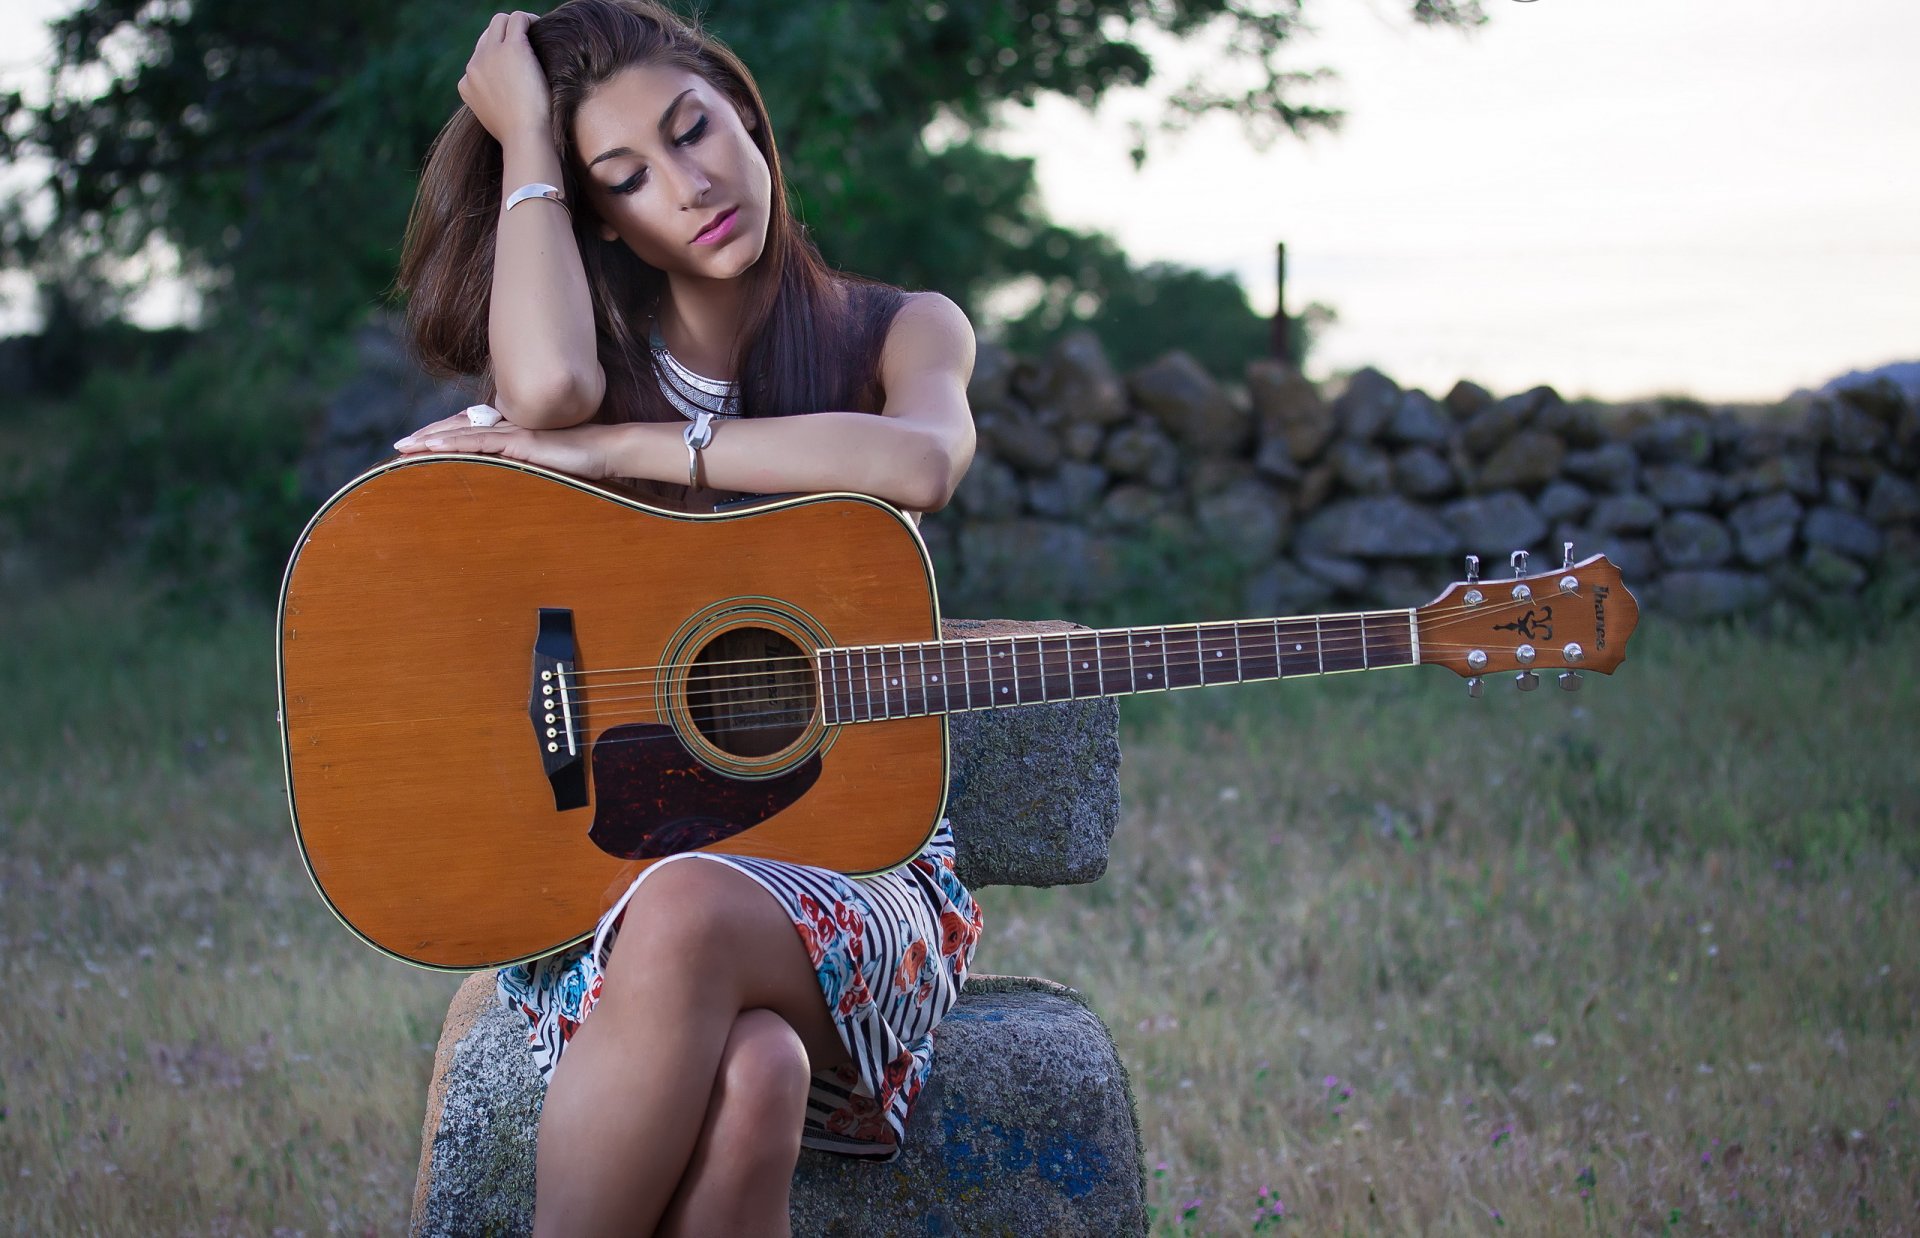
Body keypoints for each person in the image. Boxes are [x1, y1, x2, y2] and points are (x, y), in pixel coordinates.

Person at [391, 3, 983, 1234]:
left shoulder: (899, 331)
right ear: (599, 218)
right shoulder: (583, 363)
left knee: (693, 906)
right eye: (628, 177)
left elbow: (921, 463)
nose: (689, 182)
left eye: (693, 129)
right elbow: (547, 387)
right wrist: (527, 148)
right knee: (753, 1067)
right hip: (603, 890)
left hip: (859, 873)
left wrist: (626, 449)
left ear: (746, 113)